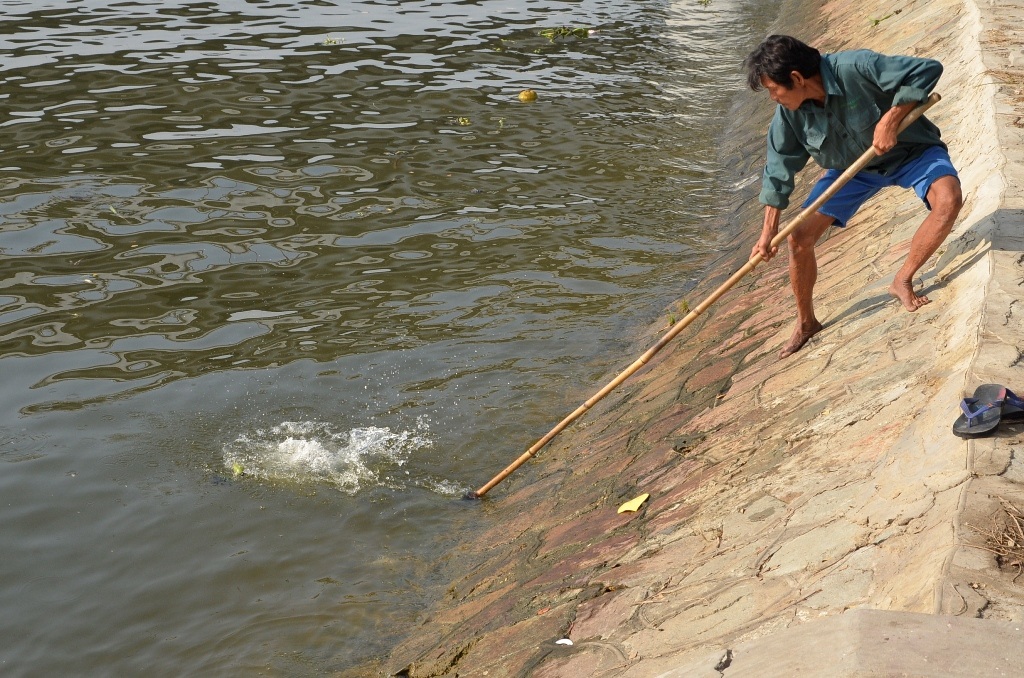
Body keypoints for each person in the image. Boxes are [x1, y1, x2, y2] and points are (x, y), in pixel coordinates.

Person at [744, 35, 963, 358]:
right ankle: (806, 322)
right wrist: (767, 233)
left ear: (796, 78)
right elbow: (778, 170)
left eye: (773, 90)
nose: (773, 98)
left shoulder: (856, 67)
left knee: (948, 200)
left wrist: (891, 118)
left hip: (910, 151)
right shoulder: (789, 114)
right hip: (850, 171)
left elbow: (926, 69)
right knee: (798, 239)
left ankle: (902, 279)